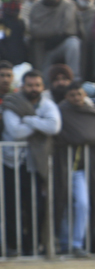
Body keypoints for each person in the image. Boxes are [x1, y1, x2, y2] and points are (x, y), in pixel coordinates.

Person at [3, 70, 62, 255]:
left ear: (43, 87)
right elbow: (15, 132)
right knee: (11, 207)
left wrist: (29, 119)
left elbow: (53, 127)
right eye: (30, 85)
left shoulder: (47, 104)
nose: (33, 89)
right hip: (11, 163)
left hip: (35, 164)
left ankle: (33, 246)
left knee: (37, 207)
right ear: (22, 86)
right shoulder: (12, 103)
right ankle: (13, 246)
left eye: (37, 85)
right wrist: (39, 124)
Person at [57, 80, 95, 256]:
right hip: (62, 166)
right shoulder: (61, 111)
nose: (76, 98)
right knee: (63, 205)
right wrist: (87, 136)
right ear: (66, 97)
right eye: (72, 95)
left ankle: (77, 243)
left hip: (81, 169)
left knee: (83, 204)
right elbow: (81, 135)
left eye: (79, 94)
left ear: (84, 95)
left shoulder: (91, 111)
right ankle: (64, 243)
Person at [28, 0, 83, 77]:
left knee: (73, 42)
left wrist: (54, 35)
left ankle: (75, 77)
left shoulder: (68, 5)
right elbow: (35, 31)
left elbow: (69, 29)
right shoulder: (36, 8)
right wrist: (55, 32)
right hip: (43, 47)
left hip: (61, 44)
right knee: (43, 76)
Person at [0, 0, 28, 66]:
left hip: (20, 61)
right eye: (13, 0)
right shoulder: (2, 21)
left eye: (19, 0)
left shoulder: (21, 21)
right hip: (4, 62)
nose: (16, 3)